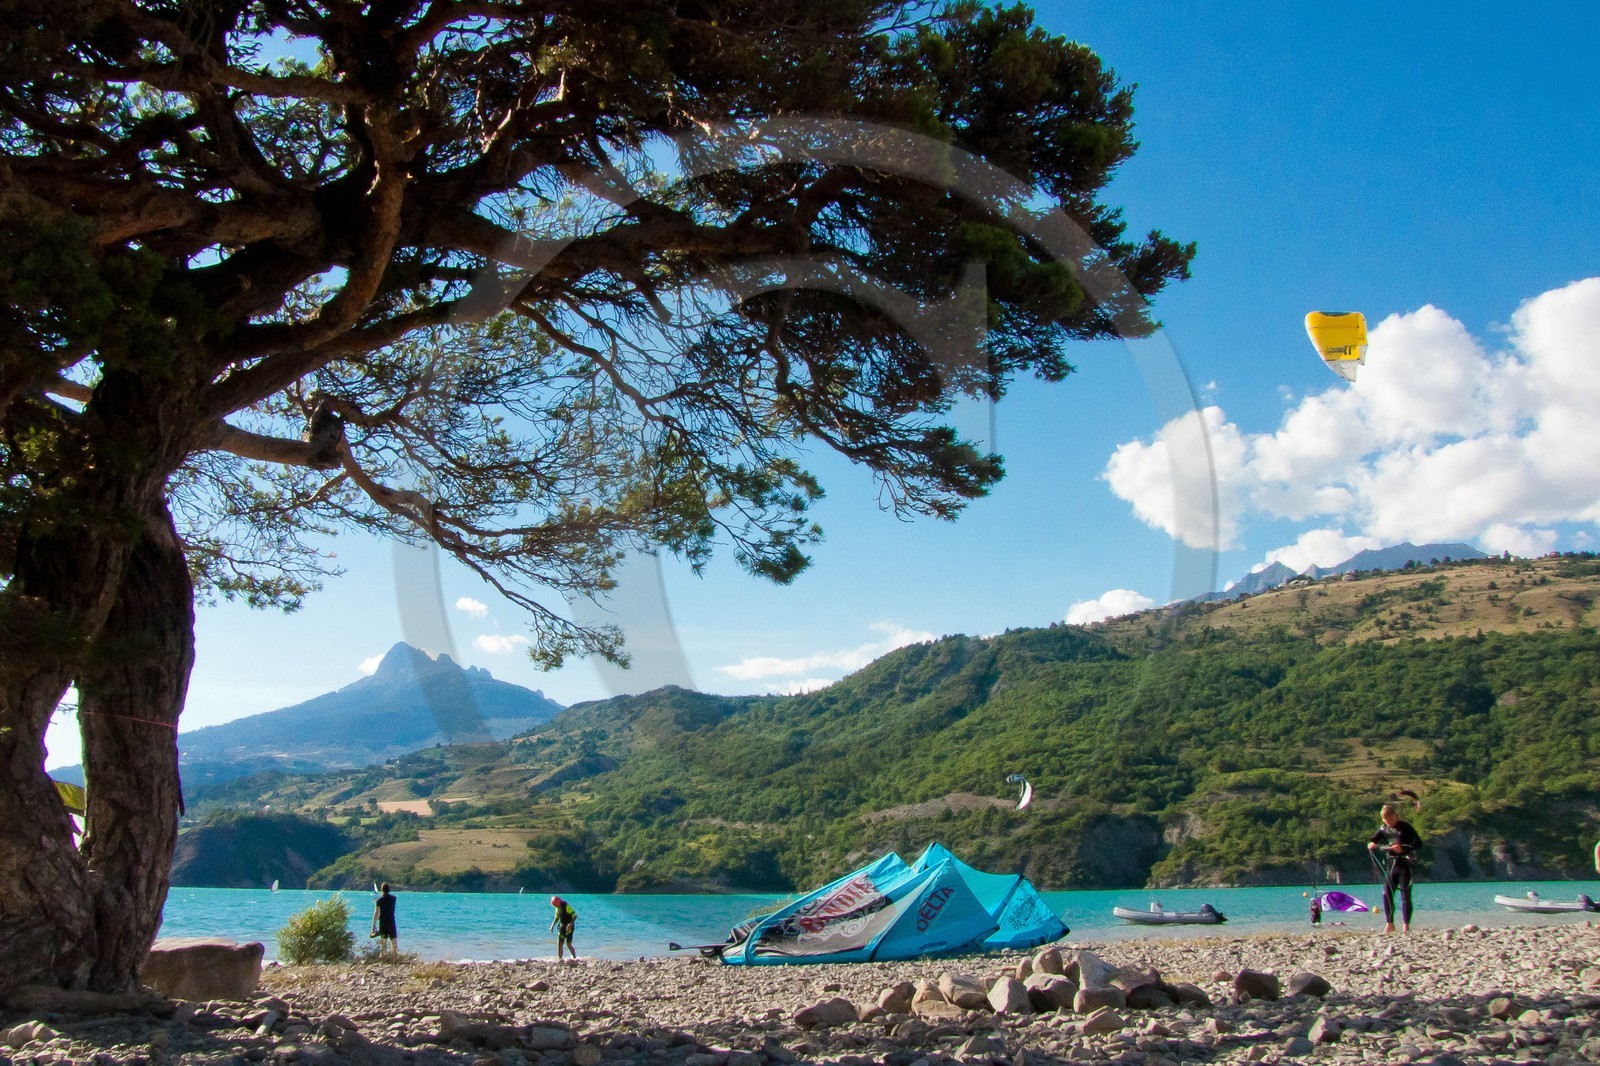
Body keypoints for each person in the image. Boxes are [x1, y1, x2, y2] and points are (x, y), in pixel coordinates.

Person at [1367, 803, 1422, 933]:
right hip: (1391, 865)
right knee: (1387, 894)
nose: (1389, 823)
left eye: (1390, 820)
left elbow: (1418, 843)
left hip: (1405, 864)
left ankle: (1406, 925)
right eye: (1385, 820)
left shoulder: (1405, 827)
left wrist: (1402, 847)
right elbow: (1373, 839)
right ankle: (1390, 923)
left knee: (1405, 895)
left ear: (1395, 816)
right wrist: (1372, 843)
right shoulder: (1384, 828)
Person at [371, 883, 399, 954]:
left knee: (383, 943)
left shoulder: (379, 901)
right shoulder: (394, 898)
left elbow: (376, 913)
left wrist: (374, 924)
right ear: (389, 889)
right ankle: (395, 957)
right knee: (394, 942)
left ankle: (384, 957)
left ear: (382, 890)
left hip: (383, 922)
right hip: (391, 922)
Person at [549, 896, 578, 961]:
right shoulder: (557, 908)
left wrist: (570, 924)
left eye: (556, 905)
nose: (556, 906)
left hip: (569, 927)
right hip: (561, 927)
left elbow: (575, 916)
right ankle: (560, 959)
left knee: (568, 944)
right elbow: (557, 917)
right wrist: (552, 925)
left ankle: (574, 958)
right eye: (554, 906)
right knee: (559, 944)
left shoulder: (566, 906)